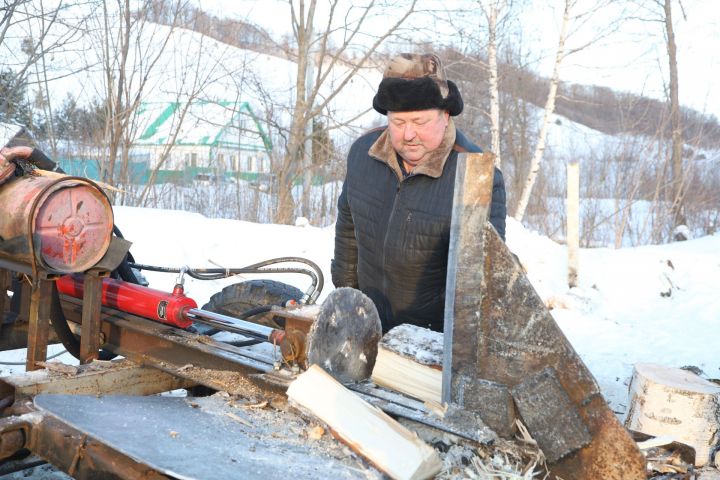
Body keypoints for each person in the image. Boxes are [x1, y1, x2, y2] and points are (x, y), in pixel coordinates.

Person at [331, 53, 507, 333]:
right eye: (398, 123)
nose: (408, 134)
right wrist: (347, 300)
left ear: (445, 115)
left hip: (430, 341)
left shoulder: (477, 176)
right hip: (366, 324)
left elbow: (481, 282)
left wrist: (450, 344)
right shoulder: (362, 154)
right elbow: (348, 231)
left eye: (420, 122)